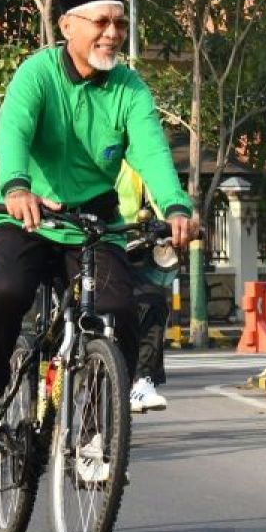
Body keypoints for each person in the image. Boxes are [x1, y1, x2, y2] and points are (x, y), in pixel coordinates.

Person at [0, 0, 199, 450]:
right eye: (102, 22)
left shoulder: (130, 88)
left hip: (92, 223)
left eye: (119, 25)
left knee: (118, 311)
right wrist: (18, 187)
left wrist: (175, 206)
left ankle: (94, 429)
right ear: (68, 27)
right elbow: (14, 135)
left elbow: (152, 152)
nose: (112, 34)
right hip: (26, 214)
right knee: (4, 291)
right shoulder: (37, 73)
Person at [115, 161, 175, 413]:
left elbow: (162, 192)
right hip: (83, 239)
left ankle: (142, 379)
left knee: (153, 300)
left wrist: (176, 220)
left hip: (132, 243)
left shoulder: (139, 159)